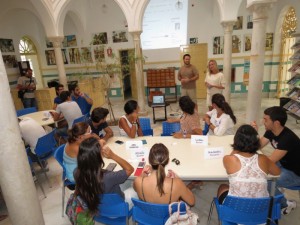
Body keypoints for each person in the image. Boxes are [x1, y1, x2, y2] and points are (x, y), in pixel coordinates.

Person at [251, 106, 300, 215]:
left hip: (295, 173)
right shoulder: (271, 130)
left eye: (266, 119)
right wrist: (254, 134)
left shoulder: (287, 139)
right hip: (284, 163)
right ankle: (275, 191)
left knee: (265, 181)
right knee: (261, 173)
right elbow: (258, 146)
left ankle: (286, 204)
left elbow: (268, 161)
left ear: (276, 123)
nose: (263, 122)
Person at [217, 125, 280, 204]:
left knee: (222, 186)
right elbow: (277, 172)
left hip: (236, 208)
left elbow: (232, 155)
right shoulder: (264, 159)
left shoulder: (228, 159)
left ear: (236, 140)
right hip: (260, 209)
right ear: (257, 141)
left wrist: (238, 146)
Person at [74, 137, 135, 215]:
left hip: (96, 207)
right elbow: (130, 169)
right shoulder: (108, 177)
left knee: (123, 182)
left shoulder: (76, 172)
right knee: (135, 186)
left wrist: (99, 143)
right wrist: (113, 156)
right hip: (116, 209)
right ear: (97, 157)